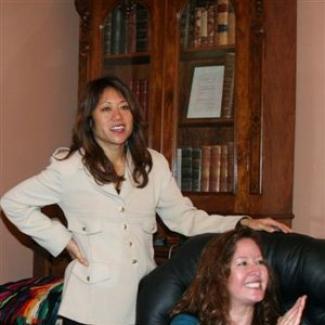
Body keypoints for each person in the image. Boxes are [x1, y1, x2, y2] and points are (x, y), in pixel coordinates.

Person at [0, 75, 291, 325]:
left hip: (143, 298)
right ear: (90, 120)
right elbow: (13, 202)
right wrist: (62, 240)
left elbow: (185, 219)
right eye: (106, 109)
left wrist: (243, 222)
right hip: (90, 307)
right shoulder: (69, 168)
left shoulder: (153, 164)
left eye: (124, 107)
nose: (118, 116)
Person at [170, 228, 306, 325]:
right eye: (243, 263)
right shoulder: (187, 321)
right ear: (219, 274)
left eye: (260, 261)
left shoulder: (276, 320)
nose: (256, 270)